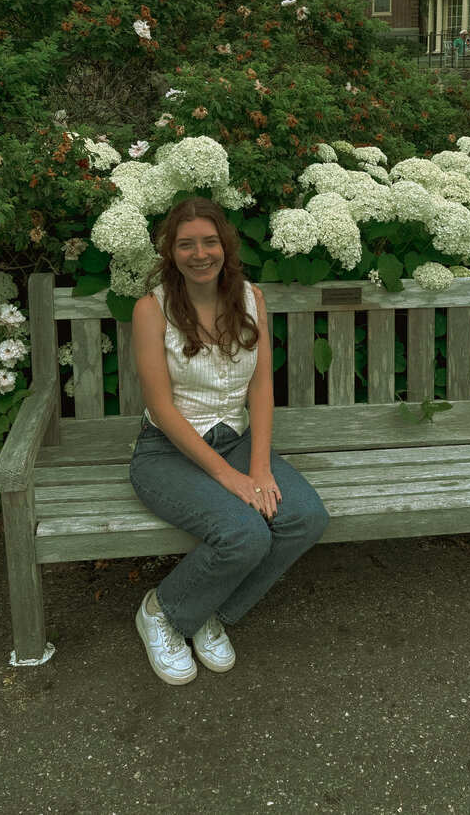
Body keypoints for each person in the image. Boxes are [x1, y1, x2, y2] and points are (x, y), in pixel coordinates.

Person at [130, 196, 329, 685]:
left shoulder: (251, 299)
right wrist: (230, 478)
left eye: (209, 242)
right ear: (170, 252)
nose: (200, 254)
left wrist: (258, 468)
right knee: (244, 533)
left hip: (235, 439)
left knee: (305, 517)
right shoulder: (149, 311)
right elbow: (161, 408)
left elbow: (260, 386)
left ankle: (209, 608)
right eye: (186, 244)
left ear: (226, 244)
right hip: (166, 452)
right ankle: (164, 611)